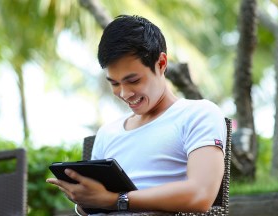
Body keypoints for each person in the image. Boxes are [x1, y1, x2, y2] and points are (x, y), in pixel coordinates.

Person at [47, 15, 226, 215]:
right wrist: (83, 198)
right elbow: (91, 207)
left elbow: (200, 195)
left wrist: (115, 200)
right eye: (114, 83)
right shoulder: (108, 132)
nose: (124, 93)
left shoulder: (198, 114)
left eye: (133, 80)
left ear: (161, 63)